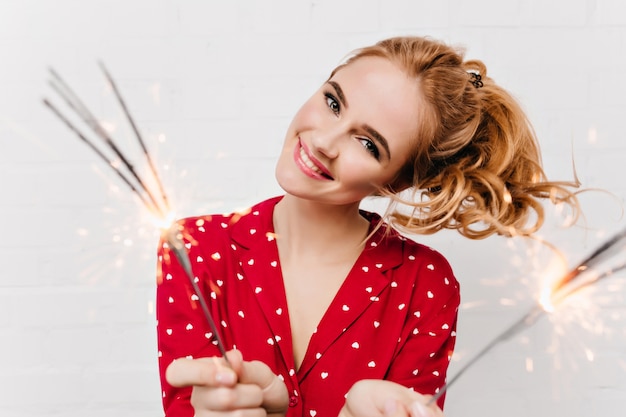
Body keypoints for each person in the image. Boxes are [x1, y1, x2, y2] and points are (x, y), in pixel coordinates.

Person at [156, 36, 579, 417]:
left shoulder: (425, 285)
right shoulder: (190, 247)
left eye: (368, 144)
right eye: (333, 102)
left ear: (398, 180)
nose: (324, 140)